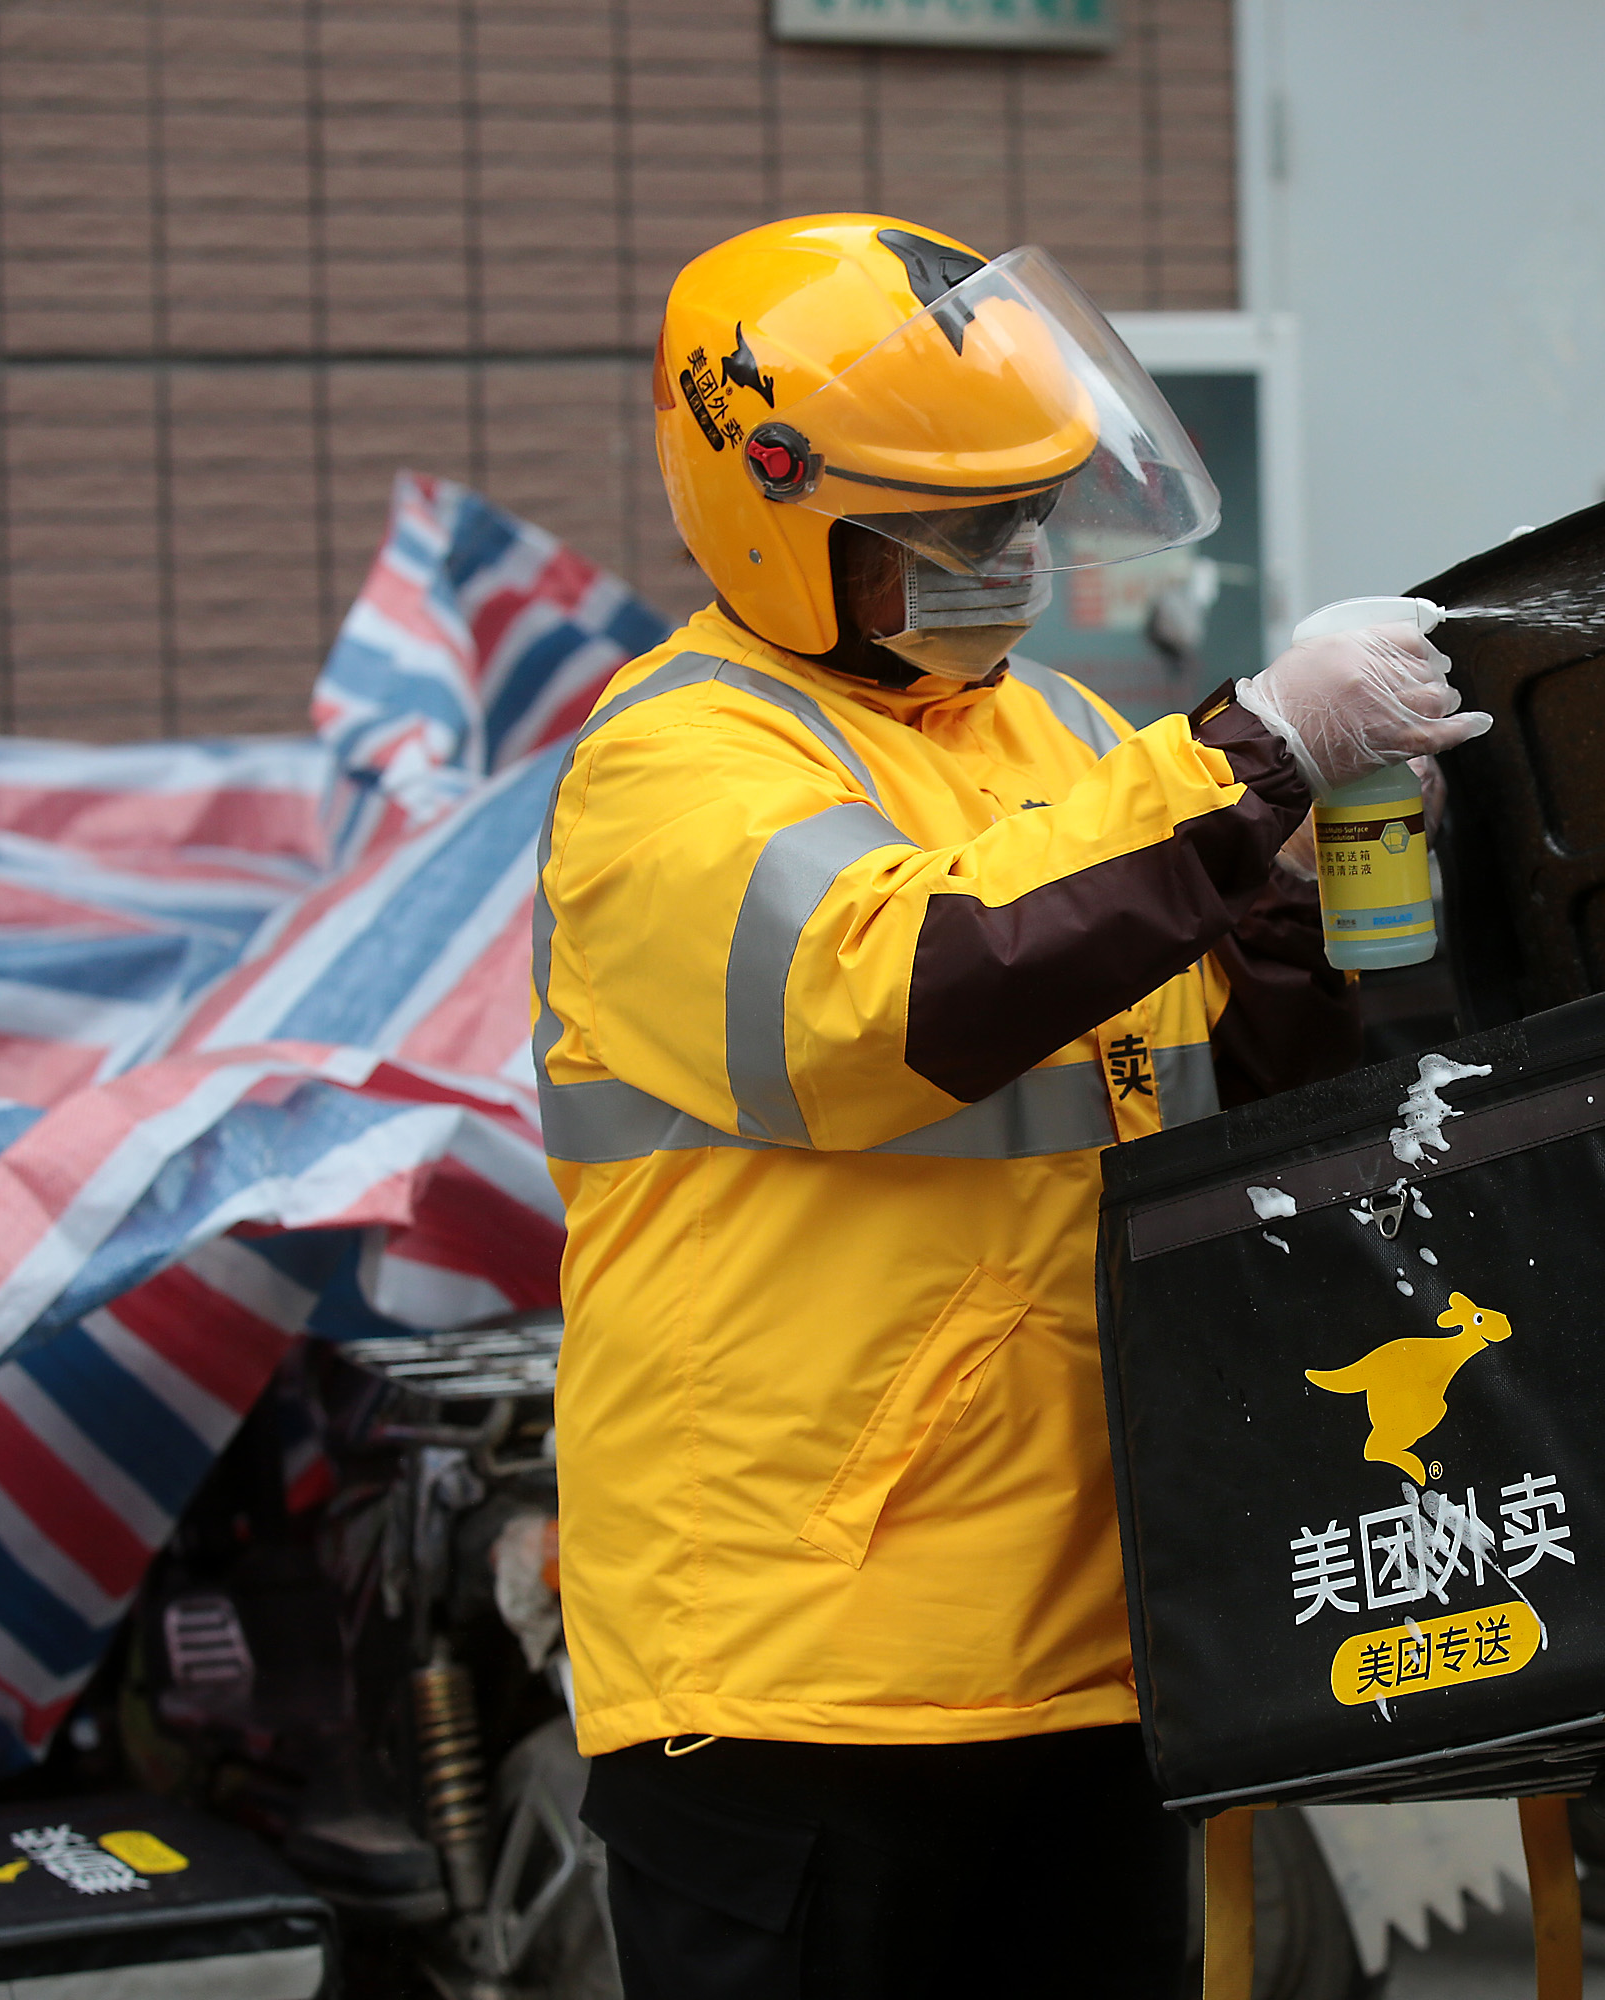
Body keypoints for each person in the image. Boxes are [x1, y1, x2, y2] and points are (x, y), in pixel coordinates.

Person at [538, 213, 1492, 1996]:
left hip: (1101, 1643)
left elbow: (1252, 1110)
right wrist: (1249, 753)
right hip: (798, 1670)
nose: (1021, 555)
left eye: (1035, 508)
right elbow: (890, 996)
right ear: (780, 514)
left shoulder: (1064, 741)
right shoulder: (670, 764)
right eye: (964, 525)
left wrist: (1301, 904)